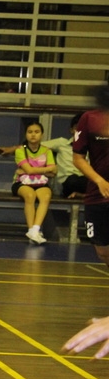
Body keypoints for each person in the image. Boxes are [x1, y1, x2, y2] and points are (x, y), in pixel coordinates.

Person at [0, 112, 87, 199]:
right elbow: (34, 144)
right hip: (67, 182)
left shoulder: (91, 148)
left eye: (84, 128)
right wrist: (13, 148)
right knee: (73, 180)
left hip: (85, 180)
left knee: (91, 181)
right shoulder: (61, 143)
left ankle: (83, 195)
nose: (80, 131)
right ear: (71, 130)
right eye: (77, 128)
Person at [73, 85, 109, 269]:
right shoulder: (89, 119)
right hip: (98, 194)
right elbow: (78, 158)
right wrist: (99, 180)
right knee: (102, 251)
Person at [11, 120, 56, 244]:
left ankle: (35, 230)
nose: (33, 135)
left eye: (36, 132)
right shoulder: (20, 150)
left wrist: (31, 171)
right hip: (21, 183)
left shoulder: (47, 151)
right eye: (30, 132)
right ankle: (31, 230)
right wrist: (45, 169)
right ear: (26, 134)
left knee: (46, 196)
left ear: (42, 134)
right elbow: (30, 170)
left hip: (40, 183)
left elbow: (53, 172)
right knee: (30, 195)